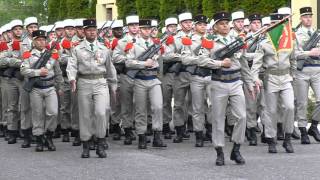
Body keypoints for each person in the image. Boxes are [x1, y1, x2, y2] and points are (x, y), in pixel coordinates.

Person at [201, 11, 254, 166]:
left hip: (236, 82)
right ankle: (219, 152)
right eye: (221, 24)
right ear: (215, 27)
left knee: (242, 116)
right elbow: (202, 60)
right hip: (219, 82)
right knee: (218, 119)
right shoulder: (209, 41)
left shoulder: (237, 41)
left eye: (227, 23)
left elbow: (244, 64)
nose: (225, 26)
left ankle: (236, 149)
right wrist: (219, 64)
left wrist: (249, 83)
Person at [67, 19, 117, 158]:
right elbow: (72, 66)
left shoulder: (104, 49)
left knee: (101, 112)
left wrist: (113, 85)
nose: (91, 32)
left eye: (94, 30)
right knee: (85, 114)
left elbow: (110, 68)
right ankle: (86, 144)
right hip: (84, 81)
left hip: (100, 81)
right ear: (84, 31)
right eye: (88, 30)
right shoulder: (77, 49)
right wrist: (72, 78)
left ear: (97, 31)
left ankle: (101, 141)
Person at [125, 19, 167, 149]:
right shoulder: (133, 44)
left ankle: (157, 134)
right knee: (140, 109)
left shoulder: (156, 44)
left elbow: (160, 62)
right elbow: (128, 62)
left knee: (158, 106)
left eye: (149, 29)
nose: (147, 31)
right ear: (139, 30)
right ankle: (142, 136)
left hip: (153, 79)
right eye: (144, 29)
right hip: (140, 79)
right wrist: (143, 64)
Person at [20, 29, 63, 152]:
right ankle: (39, 139)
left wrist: (60, 86)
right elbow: (23, 71)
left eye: (43, 40)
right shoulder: (28, 54)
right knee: (37, 114)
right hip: (36, 88)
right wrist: (38, 72)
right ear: (34, 41)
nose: (41, 42)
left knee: (53, 113)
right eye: (38, 40)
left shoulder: (53, 54)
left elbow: (58, 71)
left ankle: (48, 136)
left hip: (50, 87)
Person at [294, 6, 320, 144]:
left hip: (317, 70)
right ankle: (303, 130)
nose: (308, 19)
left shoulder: (317, 33)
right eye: (305, 16)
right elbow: (294, 54)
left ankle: (314, 125)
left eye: (310, 16)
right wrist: (309, 53)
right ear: (301, 18)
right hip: (302, 71)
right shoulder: (296, 34)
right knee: (302, 103)